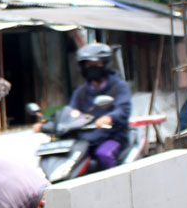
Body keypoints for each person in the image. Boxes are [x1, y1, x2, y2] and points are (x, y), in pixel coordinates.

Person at [37, 43, 132, 171]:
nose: (91, 68)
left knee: (103, 155)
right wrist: (49, 123)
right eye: (87, 65)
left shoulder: (118, 86)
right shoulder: (81, 91)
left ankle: (113, 187)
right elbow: (71, 111)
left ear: (105, 63)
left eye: (95, 64)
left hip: (112, 136)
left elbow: (123, 109)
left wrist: (109, 118)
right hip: (87, 138)